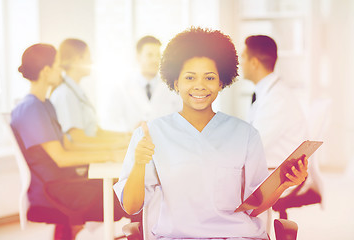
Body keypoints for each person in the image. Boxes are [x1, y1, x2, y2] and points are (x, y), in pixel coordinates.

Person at [114, 27, 308, 240]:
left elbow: (253, 207)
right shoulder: (150, 134)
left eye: (209, 78)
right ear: (176, 82)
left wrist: (283, 185)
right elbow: (131, 208)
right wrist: (139, 164)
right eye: (189, 78)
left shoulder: (245, 134)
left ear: (221, 82)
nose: (199, 86)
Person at [11, 44, 134, 240]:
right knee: (132, 197)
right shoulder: (31, 109)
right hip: (54, 191)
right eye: (58, 65)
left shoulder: (44, 104)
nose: (62, 70)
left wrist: (114, 149)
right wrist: (111, 155)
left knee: (127, 188)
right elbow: (61, 157)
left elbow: (69, 146)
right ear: (46, 71)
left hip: (63, 183)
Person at [241, 35, 322, 219]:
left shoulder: (276, 98)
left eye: (243, 57)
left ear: (254, 63)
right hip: (270, 168)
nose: (240, 62)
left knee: (226, 192)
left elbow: (252, 147)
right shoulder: (268, 92)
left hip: (279, 176)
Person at [50, 38, 131, 149]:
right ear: (77, 60)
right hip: (82, 158)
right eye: (88, 57)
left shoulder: (76, 91)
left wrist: (124, 136)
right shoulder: (65, 94)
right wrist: (116, 144)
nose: (92, 62)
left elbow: (95, 131)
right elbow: (77, 139)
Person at [103, 35, 182, 132]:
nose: (155, 60)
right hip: (132, 144)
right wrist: (130, 130)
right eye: (149, 55)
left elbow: (182, 121)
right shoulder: (122, 88)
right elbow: (110, 122)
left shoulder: (172, 87)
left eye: (158, 55)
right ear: (138, 57)